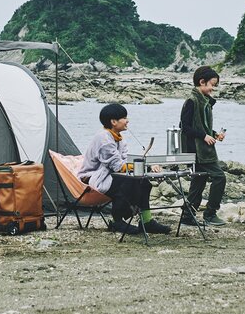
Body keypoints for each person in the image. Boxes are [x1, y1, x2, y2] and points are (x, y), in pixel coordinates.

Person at [78, 103, 171, 236]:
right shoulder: (103, 138)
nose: (128, 121)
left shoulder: (119, 139)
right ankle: (118, 221)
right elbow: (118, 166)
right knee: (127, 181)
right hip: (92, 179)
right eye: (124, 118)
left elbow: (124, 162)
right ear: (114, 122)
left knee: (143, 182)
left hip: (108, 176)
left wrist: (149, 166)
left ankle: (146, 221)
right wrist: (142, 166)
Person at [179, 66, 228, 227]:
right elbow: (184, 127)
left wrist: (214, 134)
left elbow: (202, 127)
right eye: (212, 85)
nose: (213, 89)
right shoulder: (192, 101)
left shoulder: (203, 100)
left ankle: (187, 216)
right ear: (202, 82)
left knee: (198, 181)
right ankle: (210, 213)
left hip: (201, 148)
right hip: (197, 150)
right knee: (219, 178)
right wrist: (204, 136)